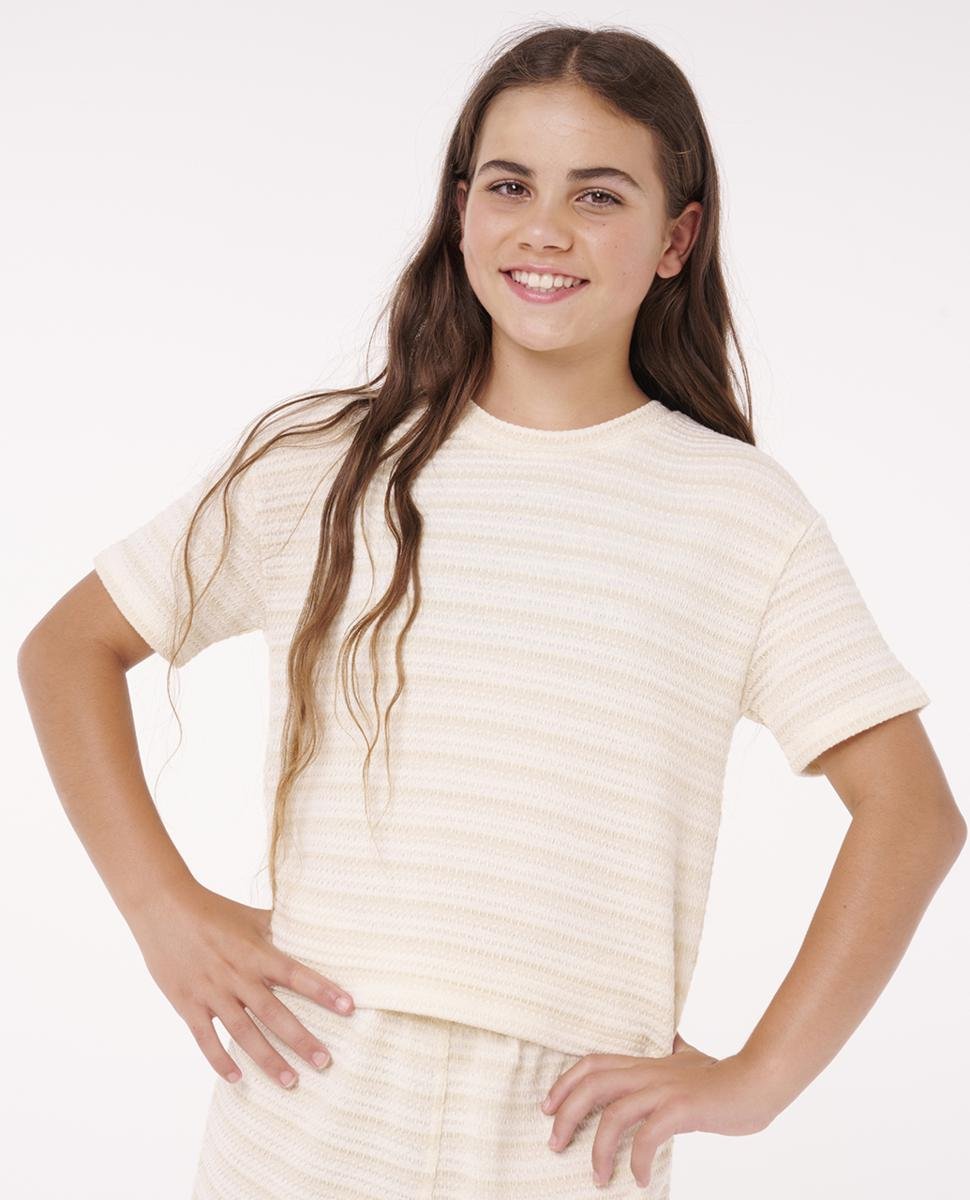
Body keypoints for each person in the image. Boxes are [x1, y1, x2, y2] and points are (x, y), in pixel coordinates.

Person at [18, 22, 964, 1200]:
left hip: (564, 1146)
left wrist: (758, 1080)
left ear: (677, 239)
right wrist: (160, 906)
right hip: (303, 1117)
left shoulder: (738, 514)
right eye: (510, 185)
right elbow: (69, 647)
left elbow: (911, 813)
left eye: (598, 195)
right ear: (460, 209)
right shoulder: (329, 465)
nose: (545, 228)